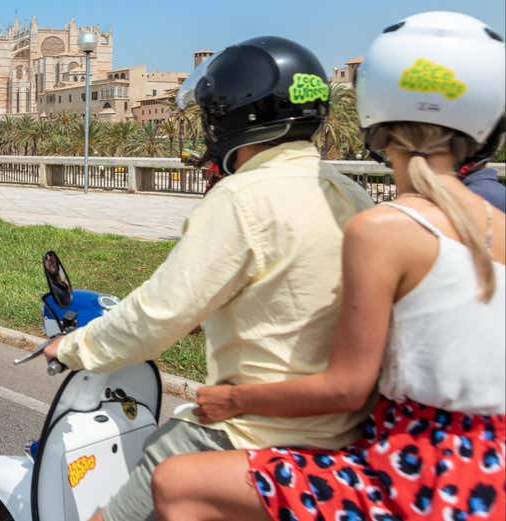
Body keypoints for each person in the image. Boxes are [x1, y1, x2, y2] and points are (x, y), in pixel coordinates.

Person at [151, 11, 505, 521]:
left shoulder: (383, 229)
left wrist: (234, 399)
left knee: (178, 481)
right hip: (489, 471)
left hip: (419, 472)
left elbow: (346, 388)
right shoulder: (495, 222)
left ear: (374, 105)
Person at [42, 36, 375, 521]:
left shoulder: (242, 198)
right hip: (343, 436)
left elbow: (157, 313)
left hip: (249, 432)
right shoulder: (349, 192)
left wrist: (72, 348)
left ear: (229, 118)